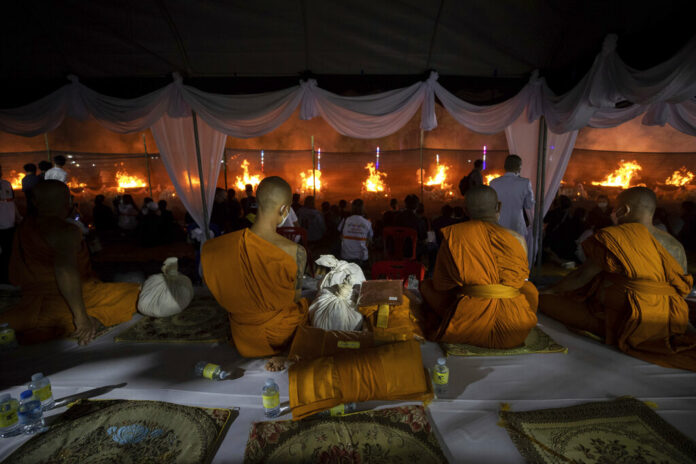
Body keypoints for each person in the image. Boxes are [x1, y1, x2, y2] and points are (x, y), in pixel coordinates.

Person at [540, 187, 696, 371]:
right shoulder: (674, 244)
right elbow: (681, 288)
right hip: (668, 319)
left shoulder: (618, 237)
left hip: (625, 319)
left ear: (625, 210)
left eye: (616, 208)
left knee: (542, 299)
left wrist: (551, 290)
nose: (613, 211)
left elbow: (581, 276)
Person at [0, 181, 139, 345]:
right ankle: (89, 321)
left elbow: (16, 275)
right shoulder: (66, 230)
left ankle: (53, 324)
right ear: (68, 201)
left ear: (35, 202)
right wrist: (80, 318)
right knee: (136, 293)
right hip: (77, 297)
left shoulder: (25, 227)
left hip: (32, 302)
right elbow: (65, 270)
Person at [201, 176, 308, 358]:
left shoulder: (217, 247)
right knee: (305, 305)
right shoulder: (295, 251)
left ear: (257, 202)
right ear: (285, 209)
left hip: (242, 332)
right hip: (280, 334)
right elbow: (294, 297)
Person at [420, 186, 538, 348]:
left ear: (465, 211)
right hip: (515, 328)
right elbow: (520, 280)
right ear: (499, 206)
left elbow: (441, 285)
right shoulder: (518, 239)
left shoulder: (457, 237)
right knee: (528, 288)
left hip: (470, 323)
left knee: (426, 286)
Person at [490, 154, 534, 238]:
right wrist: (532, 223)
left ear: (505, 166)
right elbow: (529, 205)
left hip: (498, 225)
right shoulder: (525, 182)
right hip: (517, 225)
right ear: (519, 167)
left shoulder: (493, 182)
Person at [0, 166, 21, 284]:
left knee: (8, 252)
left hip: (9, 224)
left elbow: (12, 201)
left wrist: (17, 217)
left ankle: (7, 278)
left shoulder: (7, 184)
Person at [338, 199, 373, 266]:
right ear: (363, 208)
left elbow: (339, 233)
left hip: (346, 255)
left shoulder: (345, 220)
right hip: (361, 256)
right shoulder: (367, 223)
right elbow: (370, 240)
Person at [394, 194, 426, 258]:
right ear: (417, 205)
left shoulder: (398, 217)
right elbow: (423, 237)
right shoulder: (419, 221)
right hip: (412, 250)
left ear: (405, 204)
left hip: (397, 247)